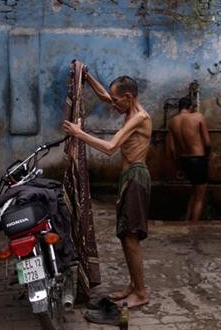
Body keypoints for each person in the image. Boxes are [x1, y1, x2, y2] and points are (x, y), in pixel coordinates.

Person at [63, 72, 151, 309]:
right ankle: (133, 286)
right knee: (124, 235)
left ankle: (141, 292)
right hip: (127, 178)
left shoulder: (139, 117)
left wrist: (79, 134)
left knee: (131, 236)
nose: (112, 104)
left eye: (116, 100)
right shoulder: (129, 109)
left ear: (129, 97)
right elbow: (105, 96)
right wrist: (87, 76)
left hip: (136, 177)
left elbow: (111, 148)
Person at [166, 96, 211, 222]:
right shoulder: (198, 117)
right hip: (198, 159)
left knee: (194, 191)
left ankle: (186, 220)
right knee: (200, 197)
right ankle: (193, 226)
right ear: (190, 107)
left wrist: (179, 166)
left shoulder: (172, 122)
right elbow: (207, 143)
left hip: (184, 160)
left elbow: (173, 149)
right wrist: (207, 156)